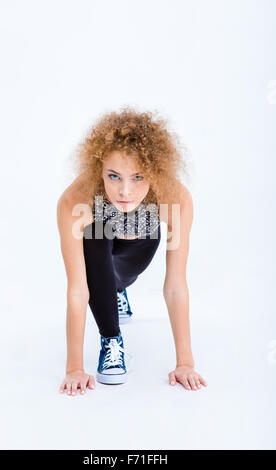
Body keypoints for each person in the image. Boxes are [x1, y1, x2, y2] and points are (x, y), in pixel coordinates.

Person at [56, 106, 207, 396]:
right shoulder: (76, 201)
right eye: (114, 176)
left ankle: (117, 290)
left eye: (138, 177)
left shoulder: (174, 199)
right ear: (98, 168)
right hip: (99, 242)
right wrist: (74, 367)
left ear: (155, 172)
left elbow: (175, 285)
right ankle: (111, 338)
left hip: (139, 246)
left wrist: (185, 362)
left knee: (117, 280)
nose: (125, 192)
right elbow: (77, 288)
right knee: (96, 233)